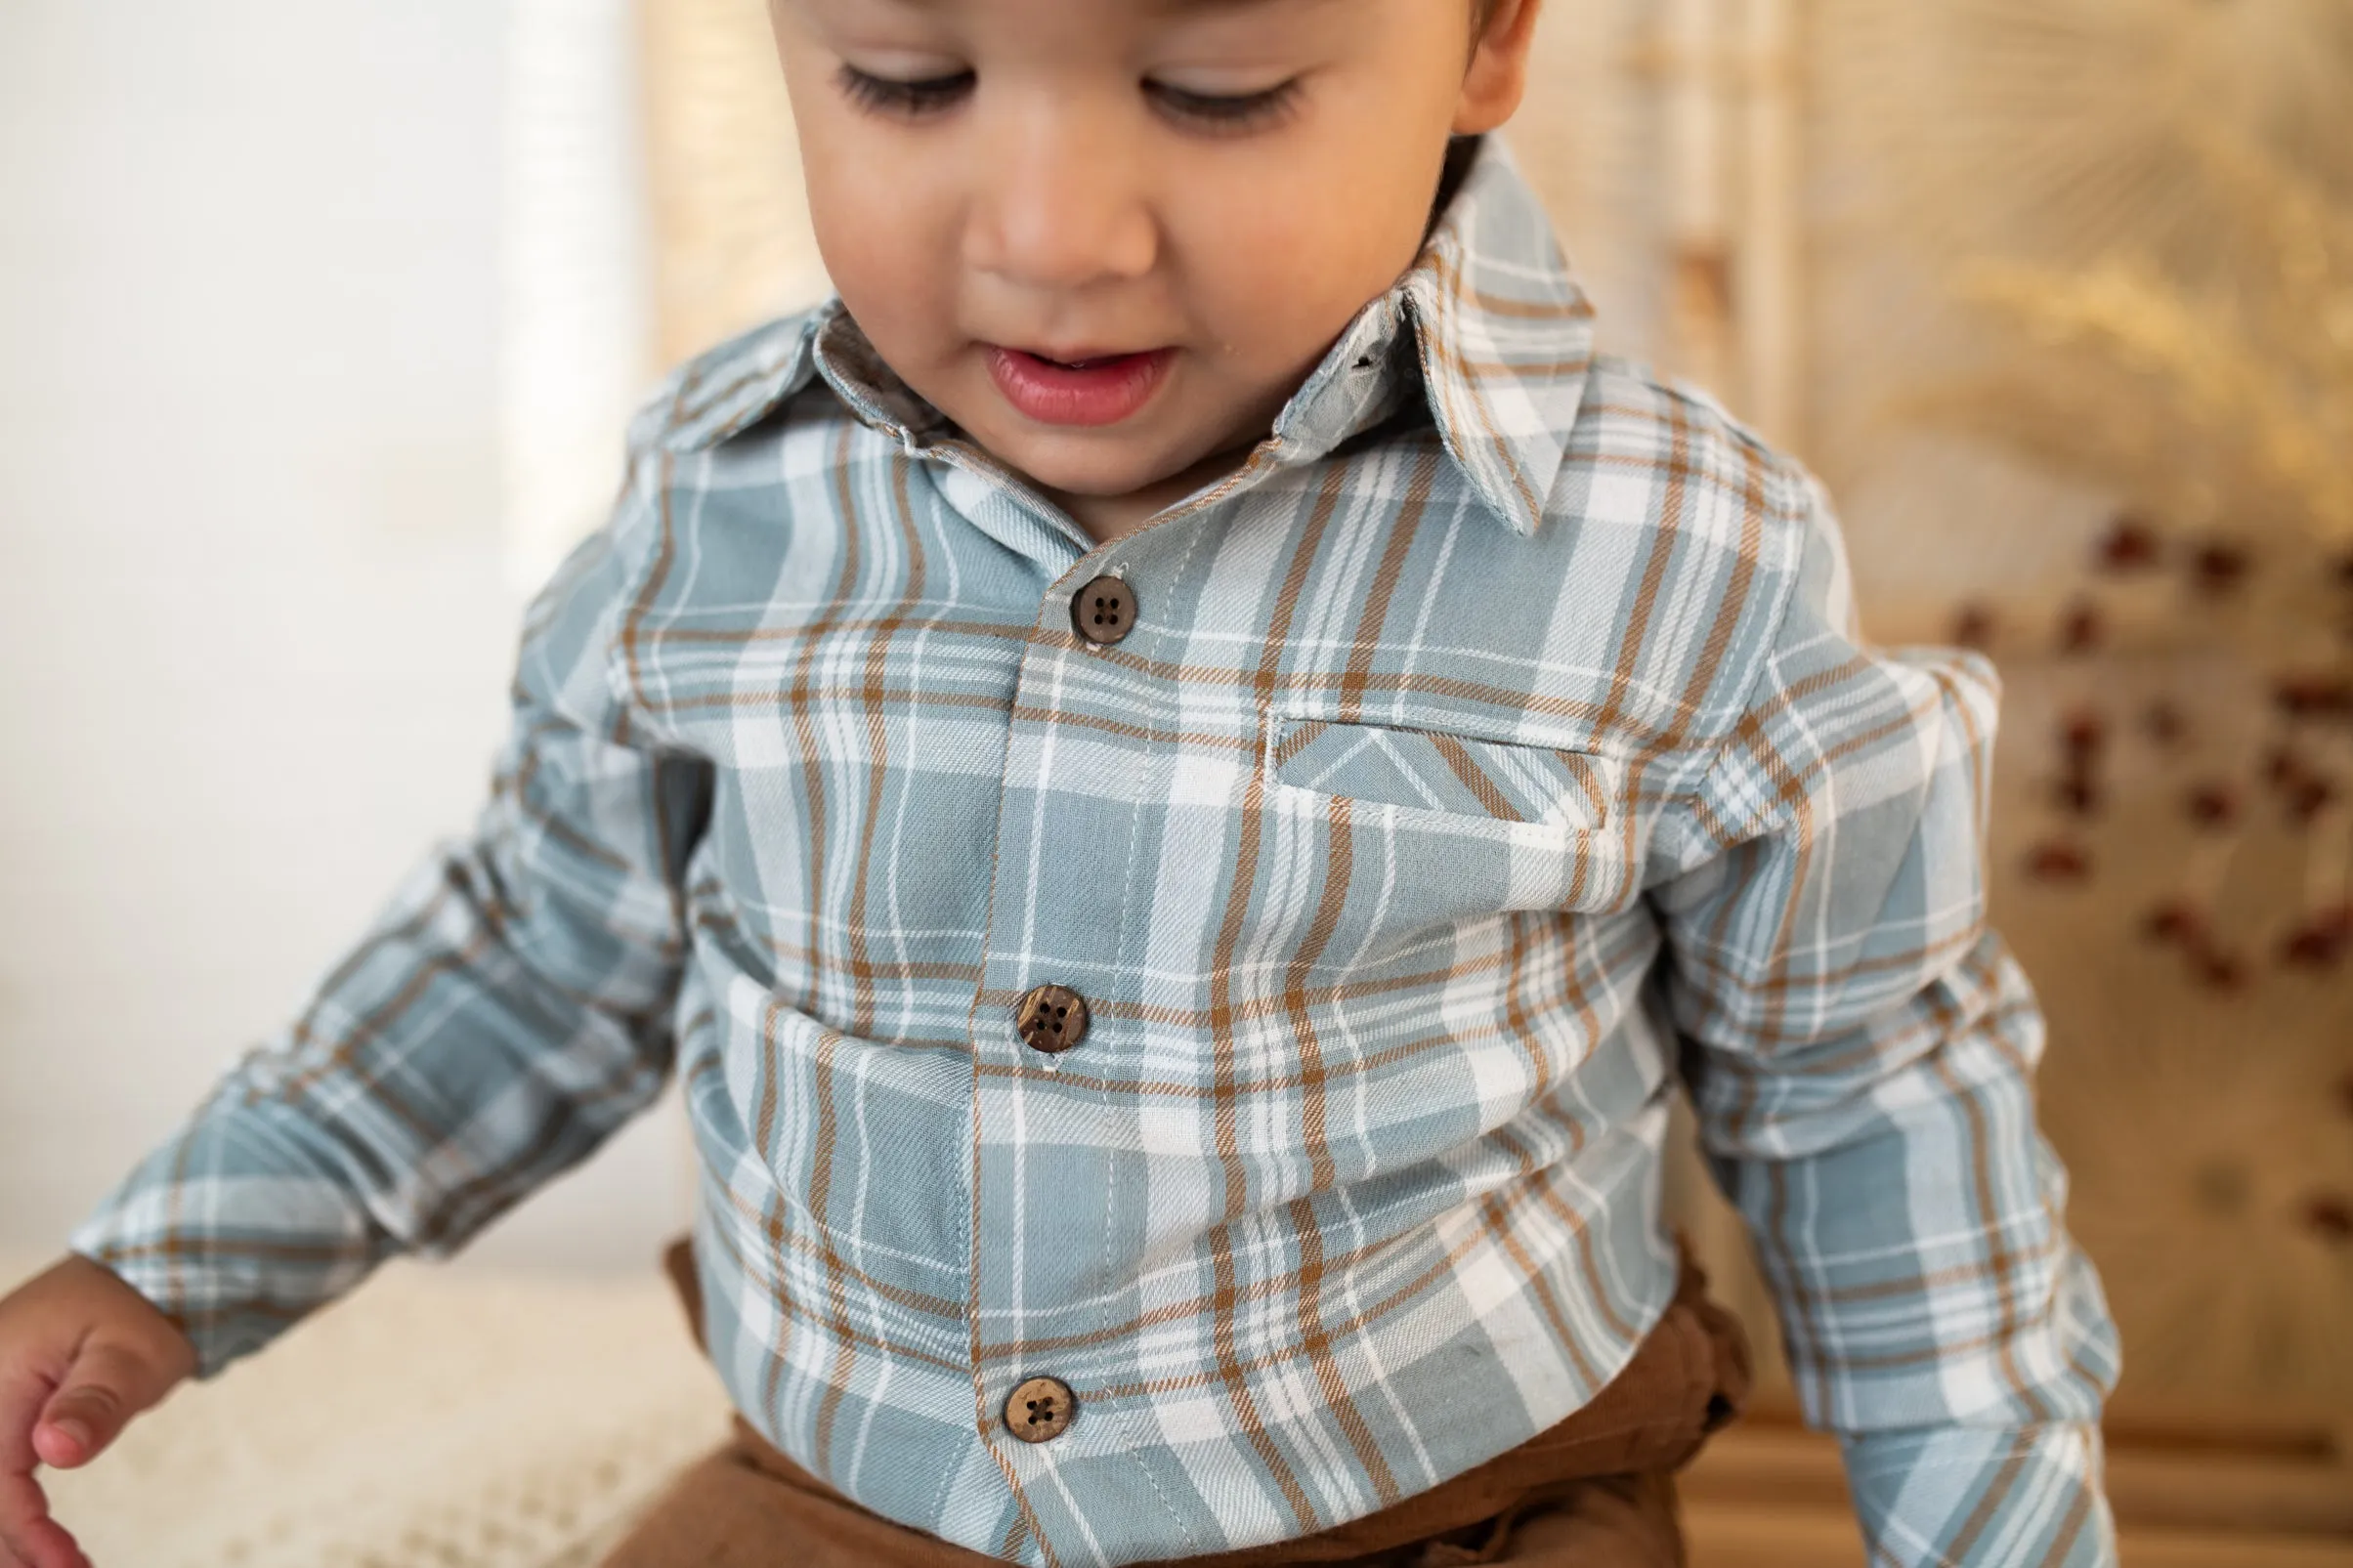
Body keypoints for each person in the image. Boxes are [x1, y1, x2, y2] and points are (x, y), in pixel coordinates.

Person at [0, 0, 2124, 1564]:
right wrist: (173, 1264)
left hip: (1441, 1499)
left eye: (1218, 92)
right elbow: (531, 959)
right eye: (903, 80)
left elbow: (1865, 1094)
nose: (1048, 231)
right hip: (854, 1489)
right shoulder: (724, 507)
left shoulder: (1670, 552)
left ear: (1485, 39)